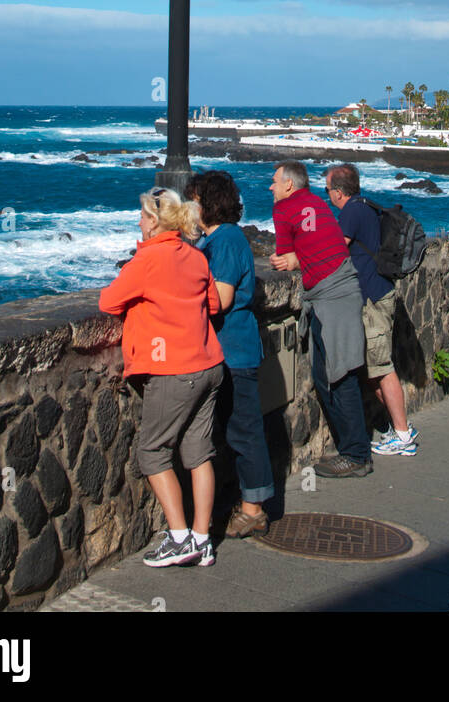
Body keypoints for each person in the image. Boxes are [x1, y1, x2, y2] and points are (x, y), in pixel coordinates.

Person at [99, 187, 224, 567]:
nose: (138, 221)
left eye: (142, 216)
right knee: (199, 453)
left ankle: (179, 536)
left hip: (174, 369)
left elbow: (107, 302)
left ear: (154, 221)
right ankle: (202, 540)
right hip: (209, 364)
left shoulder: (148, 259)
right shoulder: (195, 256)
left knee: (152, 452)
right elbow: (214, 303)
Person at [186, 170, 274, 537]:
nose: (188, 209)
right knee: (235, 430)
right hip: (229, 351)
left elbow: (219, 300)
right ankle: (245, 500)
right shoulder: (221, 239)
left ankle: (254, 509)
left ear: (207, 204)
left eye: (192, 201)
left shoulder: (224, 241)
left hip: (233, 352)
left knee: (244, 431)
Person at [269, 161, 371, 477]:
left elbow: (282, 257)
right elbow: (321, 245)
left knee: (339, 375)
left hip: (332, 296)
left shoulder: (284, 209)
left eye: (274, 181)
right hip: (342, 287)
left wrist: (290, 260)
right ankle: (352, 450)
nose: (270, 187)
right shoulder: (316, 202)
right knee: (328, 373)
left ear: (289, 185)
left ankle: (356, 455)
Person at [324, 163, 418, 456]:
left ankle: (403, 436)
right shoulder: (364, 206)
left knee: (381, 368)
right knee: (372, 368)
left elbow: (337, 249)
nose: (327, 195)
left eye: (328, 190)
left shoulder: (351, 211)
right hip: (377, 294)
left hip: (373, 299)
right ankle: (396, 429)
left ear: (339, 192)